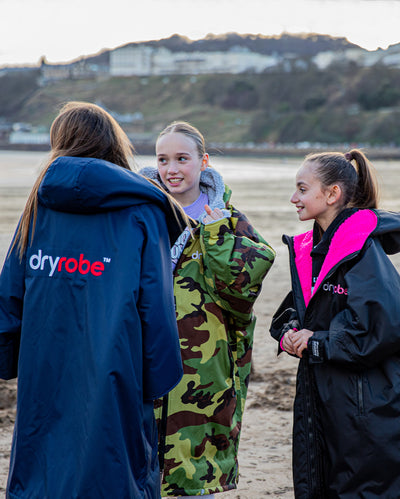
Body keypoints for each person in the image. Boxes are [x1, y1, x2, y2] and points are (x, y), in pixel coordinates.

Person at [0, 101, 186, 498]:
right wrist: (158, 379)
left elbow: (9, 295)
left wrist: (9, 359)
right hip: (117, 369)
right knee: (115, 473)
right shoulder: (142, 209)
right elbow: (156, 305)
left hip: (44, 369)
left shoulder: (38, 206)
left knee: (43, 476)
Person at [140, 121, 276, 497]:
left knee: (197, 475)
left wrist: (212, 234)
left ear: (204, 162)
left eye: (182, 158)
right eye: (163, 159)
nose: (171, 169)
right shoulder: (142, 216)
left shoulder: (228, 220)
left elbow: (242, 291)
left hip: (206, 372)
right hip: (145, 361)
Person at [270, 149, 400, 498]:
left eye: (302, 188)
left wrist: (316, 342)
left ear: (332, 194)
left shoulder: (361, 249)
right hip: (324, 396)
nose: (293, 198)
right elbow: (293, 313)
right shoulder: (316, 249)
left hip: (364, 405)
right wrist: (290, 335)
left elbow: (381, 328)